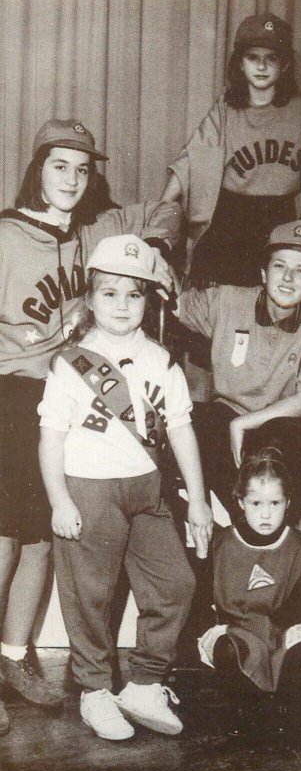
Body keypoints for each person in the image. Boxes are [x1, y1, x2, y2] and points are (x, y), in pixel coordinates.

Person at [0, 118, 179, 735]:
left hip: (70, 394)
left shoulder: (91, 235)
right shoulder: (4, 234)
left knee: (44, 538)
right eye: (59, 166)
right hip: (11, 391)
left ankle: (16, 656)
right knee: (1, 538)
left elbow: (166, 211)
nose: (72, 179)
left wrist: (160, 253)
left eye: (82, 169)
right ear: (37, 169)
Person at [38, 234, 212, 741]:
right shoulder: (72, 363)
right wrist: (59, 499)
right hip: (88, 487)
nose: (122, 305)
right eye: (110, 293)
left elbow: (180, 428)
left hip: (148, 488)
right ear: (90, 299)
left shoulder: (162, 359)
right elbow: (51, 436)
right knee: (89, 593)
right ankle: (94, 691)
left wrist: (198, 500)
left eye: (134, 294)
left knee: (174, 584)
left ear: (149, 301)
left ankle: (143, 684)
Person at [162, 12, 301, 290]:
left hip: (278, 219)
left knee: (274, 300)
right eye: (252, 57)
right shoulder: (225, 110)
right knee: (217, 307)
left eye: (271, 58)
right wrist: (158, 218)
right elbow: (188, 165)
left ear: (285, 66)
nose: (261, 66)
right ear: (239, 64)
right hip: (229, 219)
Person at [173, 219, 301, 522]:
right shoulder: (229, 300)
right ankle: (235, 532)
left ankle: (284, 535)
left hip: (293, 420)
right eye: (279, 266)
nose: (288, 278)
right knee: (197, 424)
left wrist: (243, 424)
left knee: (277, 439)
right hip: (231, 411)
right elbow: (175, 303)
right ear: (263, 273)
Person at [197, 447, 301, 736]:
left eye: (275, 503)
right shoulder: (221, 542)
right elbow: (202, 598)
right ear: (241, 502)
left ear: (288, 503)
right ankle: (245, 709)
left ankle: (284, 711)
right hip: (238, 631)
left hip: (282, 632)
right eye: (256, 503)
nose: (266, 514)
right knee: (228, 650)